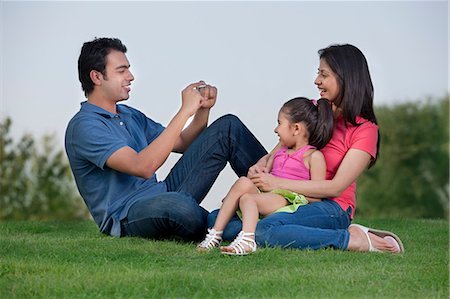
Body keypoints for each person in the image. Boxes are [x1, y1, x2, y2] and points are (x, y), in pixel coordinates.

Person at [207, 44, 405, 253]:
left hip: (330, 206)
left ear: (346, 78)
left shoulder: (365, 130)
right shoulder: (312, 110)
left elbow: (336, 187)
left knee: (265, 231)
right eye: (318, 73)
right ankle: (283, 229)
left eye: (324, 74)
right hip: (288, 197)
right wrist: (261, 166)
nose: (316, 80)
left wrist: (276, 183)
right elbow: (279, 150)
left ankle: (354, 239)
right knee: (216, 218)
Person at [65, 37, 267, 240]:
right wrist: (185, 111)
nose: (131, 76)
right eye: (121, 70)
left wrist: (201, 111)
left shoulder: (129, 115)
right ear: (97, 77)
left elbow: (182, 143)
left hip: (164, 192)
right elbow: (142, 167)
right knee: (178, 206)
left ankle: (285, 195)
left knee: (228, 127)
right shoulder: (85, 126)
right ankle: (228, 225)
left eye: (128, 69)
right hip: (127, 214)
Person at [197, 97, 334, 255]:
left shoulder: (313, 157)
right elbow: (261, 177)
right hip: (267, 195)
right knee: (242, 182)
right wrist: (235, 194)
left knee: (247, 199)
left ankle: (248, 239)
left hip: (288, 200)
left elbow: (317, 198)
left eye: (280, 123)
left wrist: (285, 189)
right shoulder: (279, 152)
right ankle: (215, 234)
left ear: (296, 129)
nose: (276, 129)